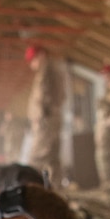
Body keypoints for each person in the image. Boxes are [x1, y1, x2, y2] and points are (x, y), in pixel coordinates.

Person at [24, 45, 65, 177]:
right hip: (49, 118)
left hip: (45, 120)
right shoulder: (49, 70)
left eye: (33, 60)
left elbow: (44, 98)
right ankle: (55, 190)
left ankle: (28, 187)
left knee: (37, 156)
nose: (32, 64)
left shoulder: (47, 71)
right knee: (52, 157)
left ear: (41, 55)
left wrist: (40, 116)